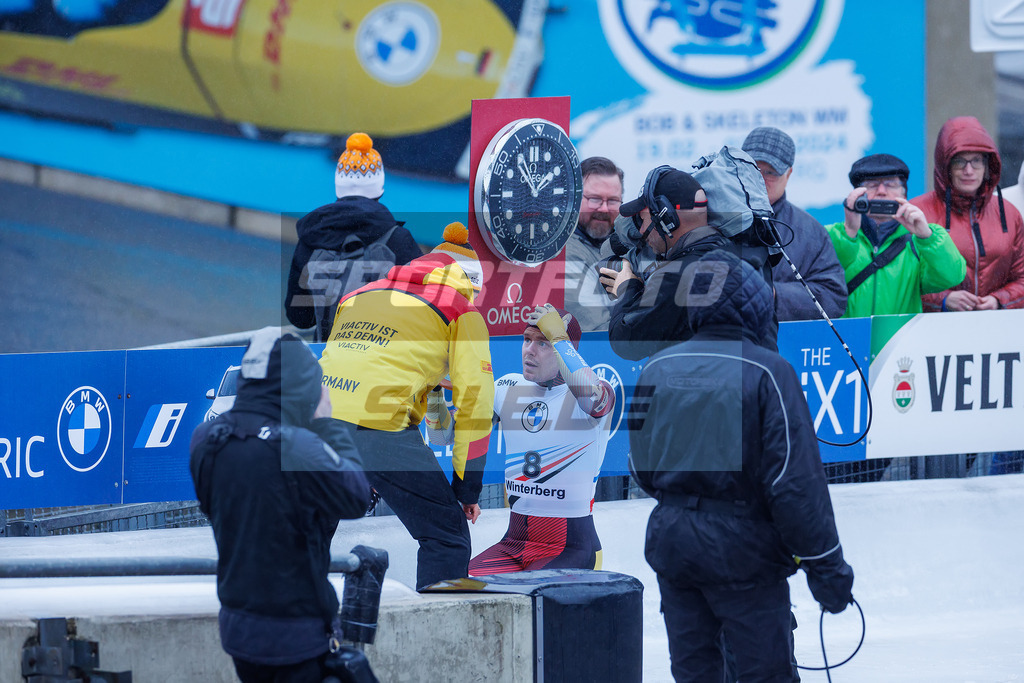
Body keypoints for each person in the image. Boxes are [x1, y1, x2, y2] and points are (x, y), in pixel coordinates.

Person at [628, 249, 855, 682]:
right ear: (756, 304)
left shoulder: (657, 367)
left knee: (696, 675)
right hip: (744, 556)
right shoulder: (770, 371)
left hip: (675, 548)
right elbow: (795, 484)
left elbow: (640, 468)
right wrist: (828, 572)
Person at [319, 221, 495, 591]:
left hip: (313, 420)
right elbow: (476, 405)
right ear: (471, 284)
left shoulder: (360, 294)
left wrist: (429, 384)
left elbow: (368, 361)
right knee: (446, 536)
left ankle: (301, 624)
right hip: (378, 424)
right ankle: (441, 637)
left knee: (311, 528)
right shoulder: (460, 309)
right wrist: (467, 491)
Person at [190, 327, 371, 683]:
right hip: (296, 634)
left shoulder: (206, 438)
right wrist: (325, 421)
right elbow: (356, 496)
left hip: (238, 629)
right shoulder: (295, 445)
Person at [452, 305, 616, 574]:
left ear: (567, 350)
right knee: (461, 588)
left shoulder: (594, 393)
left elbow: (590, 392)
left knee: (529, 602)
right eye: (527, 340)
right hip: (513, 544)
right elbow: (446, 436)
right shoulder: (508, 386)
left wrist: (559, 338)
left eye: (543, 343)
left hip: (571, 547)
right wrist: (434, 397)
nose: (529, 350)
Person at [604, 166, 777, 360]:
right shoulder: (749, 260)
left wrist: (627, 286)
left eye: (643, 220)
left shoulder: (677, 277)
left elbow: (626, 342)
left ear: (667, 221)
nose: (642, 231)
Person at [285, 132, 423, 340]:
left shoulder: (311, 238)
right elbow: (421, 312)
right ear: (380, 189)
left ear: (339, 187)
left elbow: (300, 318)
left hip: (327, 362)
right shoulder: (398, 240)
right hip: (379, 363)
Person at [824, 153, 966, 317]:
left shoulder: (920, 240)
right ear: (856, 194)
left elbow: (952, 277)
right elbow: (818, 281)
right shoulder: (830, 236)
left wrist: (927, 237)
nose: (882, 192)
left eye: (891, 184)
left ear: (904, 194)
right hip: (846, 339)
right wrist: (848, 233)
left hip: (899, 339)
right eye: (872, 185)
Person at [910, 116, 1024, 311]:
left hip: (994, 329)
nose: (968, 170)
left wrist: (999, 300)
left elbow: (1022, 277)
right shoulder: (918, 213)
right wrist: (943, 300)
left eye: (976, 161)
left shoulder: (1009, 213)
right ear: (945, 166)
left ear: (988, 166)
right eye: (959, 161)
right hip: (932, 332)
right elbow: (902, 280)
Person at [741, 126, 847, 321]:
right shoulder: (710, 218)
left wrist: (773, 294)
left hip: (783, 345)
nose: (760, 178)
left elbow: (833, 297)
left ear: (788, 174)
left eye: (770, 172)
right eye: (752, 168)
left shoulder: (811, 232)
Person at [564, 157, 625, 332]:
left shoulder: (623, 246)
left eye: (613, 201)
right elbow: (597, 333)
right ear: (573, 198)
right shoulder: (566, 255)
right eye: (594, 199)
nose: (604, 209)